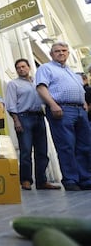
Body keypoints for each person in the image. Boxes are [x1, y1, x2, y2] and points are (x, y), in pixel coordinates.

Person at [36, 42, 91, 191]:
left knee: (85, 146)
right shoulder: (46, 68)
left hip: (80, 110)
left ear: (68, 53)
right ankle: (71, 180)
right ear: (51, 54)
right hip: (61, 109)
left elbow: (80, 89)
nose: (61, 53)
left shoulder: (72, 72)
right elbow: (41, 88)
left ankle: (86, 179)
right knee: (66, 146)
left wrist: (84, 103)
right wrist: (53, 104)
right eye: (57, 51)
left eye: (64, 50)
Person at [5, 58, 61, 191]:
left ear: (29, 67)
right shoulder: (13, 84)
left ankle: (42, 181)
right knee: (25, 151)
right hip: (24, 118)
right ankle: (26, 180)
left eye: (23, 66)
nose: (21, 69)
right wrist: (16, 120)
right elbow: (11, 104)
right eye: (18, 67)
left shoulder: (37, 83)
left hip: (39, 117)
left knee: (42, 150)